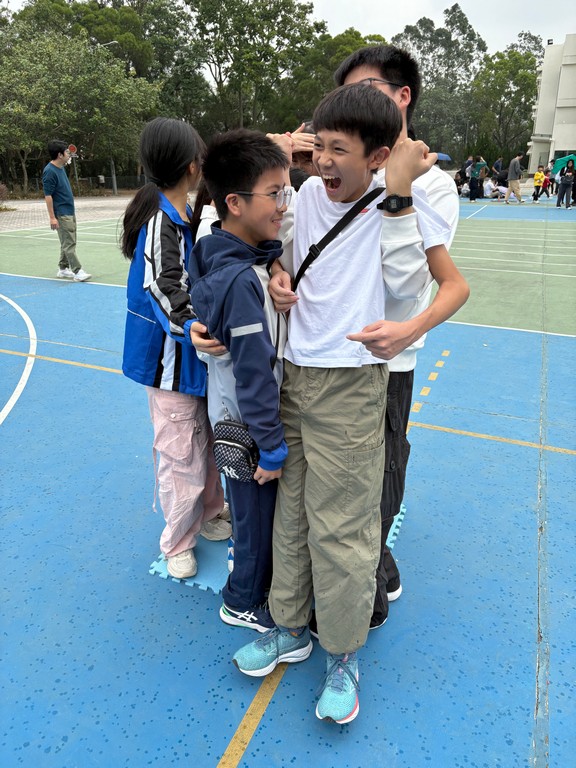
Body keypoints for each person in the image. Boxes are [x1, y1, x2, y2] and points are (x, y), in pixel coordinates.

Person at [231, 84, 465, 725]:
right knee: (292, 516)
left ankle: (341, 654)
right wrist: (276, 274)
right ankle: (289, 628)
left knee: (344, 528)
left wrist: (399, 196)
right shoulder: (306, 194)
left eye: (340, 150)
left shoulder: (401, 202)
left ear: (378, 156)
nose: (325, 161)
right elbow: (273, 247)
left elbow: (405, 286)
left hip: (353, 383)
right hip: (293, 376)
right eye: (321, 147)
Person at [332, 44, 464, 631]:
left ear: (402, 96)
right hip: (328, 355)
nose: (353, 106)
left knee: (382, 470)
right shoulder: (344, 170)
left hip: (389, 360)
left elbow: (411, 284)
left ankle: (368, 590)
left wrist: (398, 185)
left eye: (367, 92)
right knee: (334, 477)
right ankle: (359, 567)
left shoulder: (432, 186)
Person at [190, 129, 291, 632]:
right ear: (234, 202)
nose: (283, 205)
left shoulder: (224, 256)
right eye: (275, 194)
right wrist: (271, 447)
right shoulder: (240, 284)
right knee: (254, 517)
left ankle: (248, 582)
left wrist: (271, 260)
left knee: (249, 511)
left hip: (235, 417)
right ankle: (242, 599)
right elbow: (253, 373)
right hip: (247, 429)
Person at [120, 117, 229, 581]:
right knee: (182, 454)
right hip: (169, 365)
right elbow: (162, 286)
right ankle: (178, 541)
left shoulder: (181, 213)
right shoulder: (160, 221)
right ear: (192, 166)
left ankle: (211, 512)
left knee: (208, 441)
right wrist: (192, 325)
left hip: (192, 363)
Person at [42, 140, 91, 281]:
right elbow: (48, 196)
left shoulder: (60, 167)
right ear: (59, 155)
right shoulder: (49, 172)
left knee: (68, 241)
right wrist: (52, 217)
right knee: (69, 243)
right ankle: (77, 271)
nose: (69, 154)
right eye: (66, 152)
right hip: (62, 213)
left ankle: (63, 269)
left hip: (69, 211)